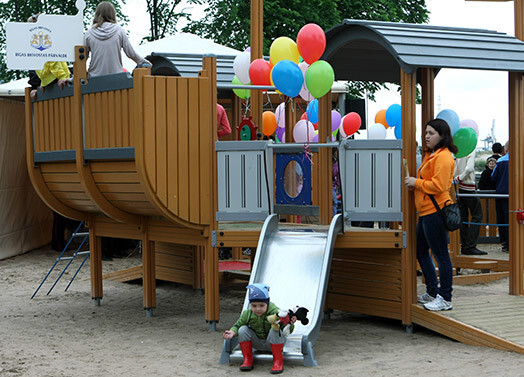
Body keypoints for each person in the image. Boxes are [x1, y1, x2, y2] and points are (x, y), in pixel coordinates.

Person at [404, 119, 456, 311]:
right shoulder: (433, 155)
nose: (427, 136)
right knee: (421, 250)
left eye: (431, 133)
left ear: (442, 136)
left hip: (435, 211)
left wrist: (416, 183)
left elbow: (439, 186)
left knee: (441, 255)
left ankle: (445, 297)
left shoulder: (443, 157)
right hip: (427, 211)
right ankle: (433, 292)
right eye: (426, 132)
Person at [223, 283, 295, 374]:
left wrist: (290, 323)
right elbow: (237, 325)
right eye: (254, 306)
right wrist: (233, 332)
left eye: (261, 305)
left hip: (273, 343)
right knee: (243, 329)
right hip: (257, 344)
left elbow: (287, 330)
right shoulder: (248, 314)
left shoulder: (275, 313)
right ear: (250, 304)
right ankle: (248, 360)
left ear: (267, 303)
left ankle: (278, 361)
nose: (258, 309)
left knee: (275, 329)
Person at [84, 2, 150, 77]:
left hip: (94, 79)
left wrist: (73, 78)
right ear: (113, 14)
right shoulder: (119, 31)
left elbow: (82, 59)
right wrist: (143, 62)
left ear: (97, 14)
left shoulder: (89, 34)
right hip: (116, 79)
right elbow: (131, 53)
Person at [27, 14, 71, 100]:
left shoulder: (47, 39)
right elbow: (39, 67)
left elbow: (54, 62)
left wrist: (62, 77)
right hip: (51, 81)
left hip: (56, 79)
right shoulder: (37, 42)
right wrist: (42, 84)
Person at [454, 151, 487, 255]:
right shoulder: (470, 149)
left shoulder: (454, 149)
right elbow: (469, 168)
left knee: (463, 217)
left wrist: (456, 178)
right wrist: (462, 177)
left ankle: (465, 245)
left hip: (457, 187)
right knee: (477, 215)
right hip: (468, 186)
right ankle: (470, 245)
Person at [491, 141, 509, 252]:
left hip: (500, 194)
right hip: (515, 196)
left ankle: (505, 243)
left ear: (505, 150)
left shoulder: (500, 161)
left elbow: (493, 176)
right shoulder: (519, 160)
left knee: (502, 220)